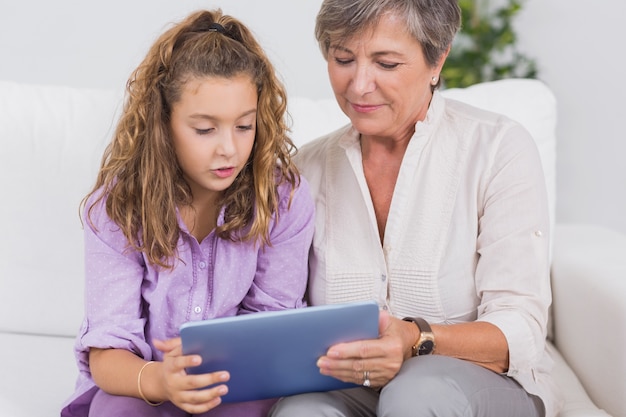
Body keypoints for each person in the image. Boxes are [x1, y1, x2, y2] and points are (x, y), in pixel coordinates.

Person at [270, 0, 560, 416]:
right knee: (301, 411)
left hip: (482, 384)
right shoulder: (303, 172)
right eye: (343, 59)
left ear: (437, 60)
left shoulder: (497, 148)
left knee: (415, 391)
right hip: (350, 386)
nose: (359, 85)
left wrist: (416, 338)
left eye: (386, 63)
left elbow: (520, 330)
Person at [60, 9, 315, 417]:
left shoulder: (281, 198)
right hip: (140, 383)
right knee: (116, 410)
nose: (228, 149)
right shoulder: (118, 206)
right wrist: (162, 381)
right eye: (205, 129)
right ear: (163, 122)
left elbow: (273, 331)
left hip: (237, 387)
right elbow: (107, 354)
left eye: (244, 126)